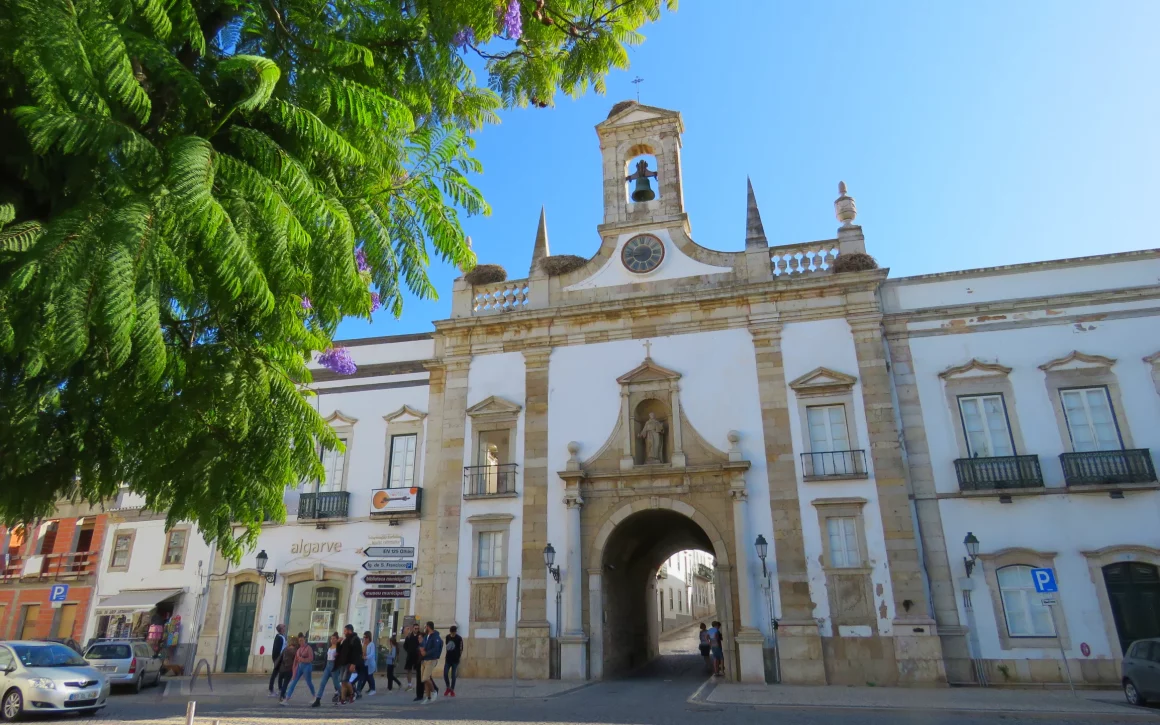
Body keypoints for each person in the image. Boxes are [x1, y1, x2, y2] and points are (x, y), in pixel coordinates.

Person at [311, 634, 342, 707]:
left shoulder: (338, 647)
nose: (332, 640)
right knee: (322, 683)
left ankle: (343, 696)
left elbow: (340, 656)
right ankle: (318, 699)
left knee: (336, 684)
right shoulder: (330, 647)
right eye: (331, 638)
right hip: (328, 665)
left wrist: (339, 642)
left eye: (334, 638)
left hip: (334, 665)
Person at [284, 635, 316, 703]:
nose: (300, 642)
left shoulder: (308, 648)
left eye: (301, 640)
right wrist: (294, 671)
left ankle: (314, 696)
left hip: (307, 666)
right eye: (299, 641)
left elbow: (311, 658)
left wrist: (303, 659)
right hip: (299, 666)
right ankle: (287, 698)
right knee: (293, 682)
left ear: (304, 640)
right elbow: (295, 661)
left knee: (309, 682)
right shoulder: (298, 650)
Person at [417, 621, 442, 704]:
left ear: (428, 627)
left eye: (425, 627)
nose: (425, 628)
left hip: (431, 659)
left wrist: (426, 653)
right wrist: (421, 648)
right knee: (423, 680)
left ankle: (434, 691)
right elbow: (423, 645)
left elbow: (436, 648)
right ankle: (428, 697)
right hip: (424, 660)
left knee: (426, 678)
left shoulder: (435, 637)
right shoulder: (426, 636)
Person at [336, 625, 363, 704]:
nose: (344, 632)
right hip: (343, 663)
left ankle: (352, 694)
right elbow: (339, 651)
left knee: (345, 680)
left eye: (345, 631)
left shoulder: (355, 639)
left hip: (349, 663)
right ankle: (343, 699)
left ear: (349, 631)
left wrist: (353, 664)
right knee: (342, 681)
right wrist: (338, 643)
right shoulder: (346, 640)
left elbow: (357, 653)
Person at [277, 635, 298, 702]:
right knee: (285, 683)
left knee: (280, 681)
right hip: (289, 668)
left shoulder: (285, 649)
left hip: (282, 668)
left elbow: (280, 658)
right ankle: (282, 695)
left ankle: (281, 692)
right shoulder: (295, 650)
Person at [443, 625, 463, 697]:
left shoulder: (459, 638)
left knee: (453, 675)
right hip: (448, 658)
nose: (453, 634)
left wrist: (458, 657)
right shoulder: (447, 637)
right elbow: (447, 646)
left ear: (455, 632)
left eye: (454, 633)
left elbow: (461, 649)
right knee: (445, 674)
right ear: (450, 632)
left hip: (455, 659)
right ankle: (448, 687)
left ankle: (452, 690)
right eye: (452, 633)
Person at [268, 624, 287, 696]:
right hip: (279, 658)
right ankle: (271, 690)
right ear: (281, 629)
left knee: (281, 674)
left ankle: (280, 689)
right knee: (275, 674)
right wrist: (277, 659)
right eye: (283, 627)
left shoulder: (281, 637)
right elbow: (277, 650)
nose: (285, 628)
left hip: (280, 658)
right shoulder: (279, 638)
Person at [402, 624, 421, 692]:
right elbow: (405, 645)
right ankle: (409, 685)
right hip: (410, 656)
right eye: (415, 628)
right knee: (409, 670)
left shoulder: (420, 636)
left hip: (417, 656)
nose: (416, 630)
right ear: (413, 628)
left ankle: (420, 685)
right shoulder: (409, 636)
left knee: (419, 671)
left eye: (418, 628)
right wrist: (409, 651)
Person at [359, 631, 377, 696]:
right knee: (366, 676)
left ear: (369, 637)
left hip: (370, 663)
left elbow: (372, 654)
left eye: (366, 637)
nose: (365, 639)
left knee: (370, 676)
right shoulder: (363, 644)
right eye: (364, 637)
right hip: (365, 663)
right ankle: (370, 688)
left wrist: (366, 657)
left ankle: (373, 689)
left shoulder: (371, 644)